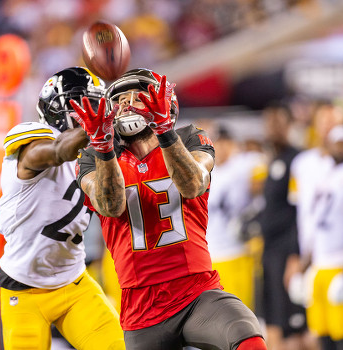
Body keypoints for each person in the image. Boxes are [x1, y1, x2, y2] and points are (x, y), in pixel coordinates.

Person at [70, 68, 266, 350]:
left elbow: (193, 185)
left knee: (248, 338)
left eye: (138, 97)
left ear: (164, 103)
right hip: (141, 308)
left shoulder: (189, 137)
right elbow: (110, 206)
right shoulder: (93, 157)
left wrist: (164, 131)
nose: (126, 103)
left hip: (197, 291)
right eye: (120, 99)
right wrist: (103, 148)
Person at [0, 67, 125, 350]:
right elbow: (58, 151)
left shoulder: (98, 144)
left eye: (95, 103)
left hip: (74, 281)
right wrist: (94, 128)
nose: (89, 110)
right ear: (55, 107)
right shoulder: (32, 138)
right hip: (24, 288)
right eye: (82, 103)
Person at [289, 124, 343, 350]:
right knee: (321, 334)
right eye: (337, 142)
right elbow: (314, 225)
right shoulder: (325, 173)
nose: (340, 147)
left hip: (340, 263)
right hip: (319, 265)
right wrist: (303, 268)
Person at [259, 102, 311, 350]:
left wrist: (294, 255)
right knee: (272, 321)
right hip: (268, 253)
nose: (272, 128)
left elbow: (299, 212)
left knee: (297, 331)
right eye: (269, 123)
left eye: (278, 123)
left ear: (290, 126)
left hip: (285, 252)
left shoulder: (298, 160)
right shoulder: (273, 160)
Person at [206, 125, 267, 312]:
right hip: (212, 255)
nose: (222, 148)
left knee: (243, 311)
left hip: (238, 251)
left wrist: (254, 209)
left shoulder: (245, 164)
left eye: (226, 143)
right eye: (218, 143)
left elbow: (265, 181)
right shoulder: (204, 171)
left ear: (233, 145)